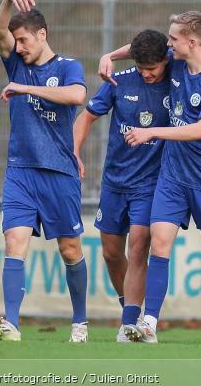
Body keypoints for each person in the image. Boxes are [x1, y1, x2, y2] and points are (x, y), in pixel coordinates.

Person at [99, 11, 201, 345]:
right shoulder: (176, 62)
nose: (168, 43)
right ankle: (149, 324)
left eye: (173, 39)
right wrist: (108, 56)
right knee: (160, 242)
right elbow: (142, 49)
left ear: (191, 42)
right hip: (172, 177)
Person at [0, 0, 89, 342]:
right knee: (14, 241)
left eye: (24, 40)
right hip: (20, 171)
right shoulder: (16, 63)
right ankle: (11, 323)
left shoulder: (68, 66)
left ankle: (80, 322)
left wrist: (28, 90)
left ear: (42, 34)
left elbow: (77, 96)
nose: (20, 47)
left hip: (59, 172)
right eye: (16, 42)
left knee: (70, 249)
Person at [73, 29, 171, 342]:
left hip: (151, 182)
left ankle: (129, 323)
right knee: (112, 254)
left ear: (164, 61)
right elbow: (86, 117)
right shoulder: (122, 80)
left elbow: (174, 42)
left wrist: (112, 54)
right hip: (115, 181)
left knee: (140, 244)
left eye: (152, 69)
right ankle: (130, 309)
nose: (147, 75)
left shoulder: (177, 75)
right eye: (142, 69)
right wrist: (73, 152)